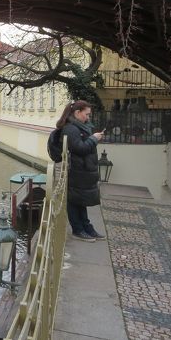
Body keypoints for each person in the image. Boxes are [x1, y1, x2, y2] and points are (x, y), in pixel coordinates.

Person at [56, 100, 106, 242]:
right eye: (87, 114)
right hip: (75, 171)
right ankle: (78, 230)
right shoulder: (70, 128)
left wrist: (94, 138)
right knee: (74, 201)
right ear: (77, 113)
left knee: (81, 201)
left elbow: (83, 145)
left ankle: (87, 228)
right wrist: (94, 139)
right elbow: (80, 148)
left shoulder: (78, 127)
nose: (88, 117)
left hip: (81, 171)